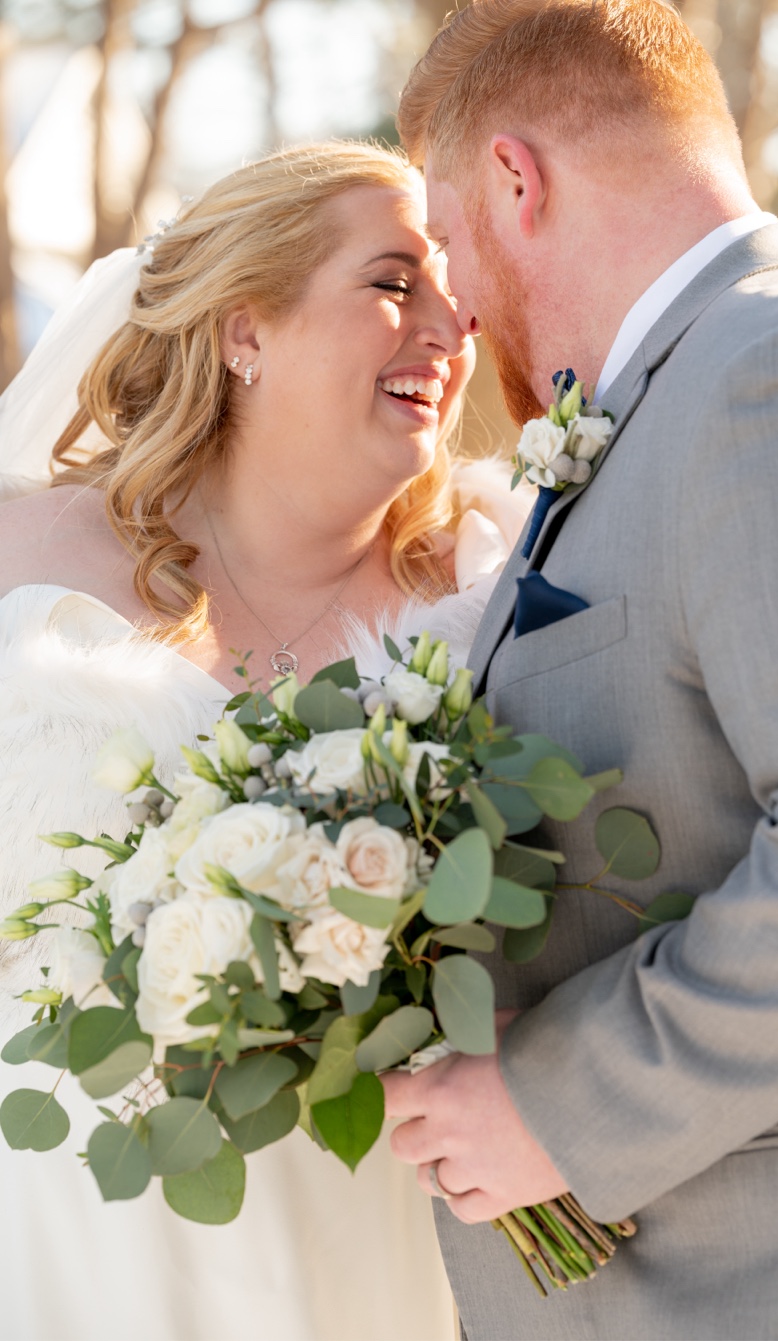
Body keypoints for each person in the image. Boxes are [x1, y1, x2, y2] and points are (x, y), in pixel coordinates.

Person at [374, 1, 778, 1337]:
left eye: (447, 241)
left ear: (514, 180)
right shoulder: (656, 399)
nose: (455, 301)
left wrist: (560, 1105)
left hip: (760, 1283)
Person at [0, 141, 533, 1339]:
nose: (452, 325)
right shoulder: (20, 556)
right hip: (70, 1223)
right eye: (396, 281)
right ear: (247, 329)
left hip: (374, 1227)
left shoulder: (498, 584)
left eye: (453, 285)